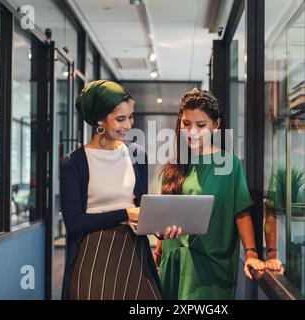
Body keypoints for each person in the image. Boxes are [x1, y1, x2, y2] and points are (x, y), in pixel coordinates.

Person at [60, 80, 180, 300]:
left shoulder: (137, 154)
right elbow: (74, 222)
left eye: (130, 117)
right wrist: (125, 214)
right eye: (120, 119)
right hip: (94, 254)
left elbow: (142, 208)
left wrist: (159, 227)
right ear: (100, 119)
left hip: (135, 251)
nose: (128, 125)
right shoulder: (73, 162)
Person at [154, 88, 265, 300]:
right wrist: (157, 256)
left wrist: (251, 253)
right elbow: (166, 213)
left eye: (201, 125)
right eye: (186, 124)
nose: (192, 131)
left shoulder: (229, 164)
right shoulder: (175, 164)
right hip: (173, 262)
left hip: (209, 267)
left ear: (216, 125)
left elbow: (241, 212)